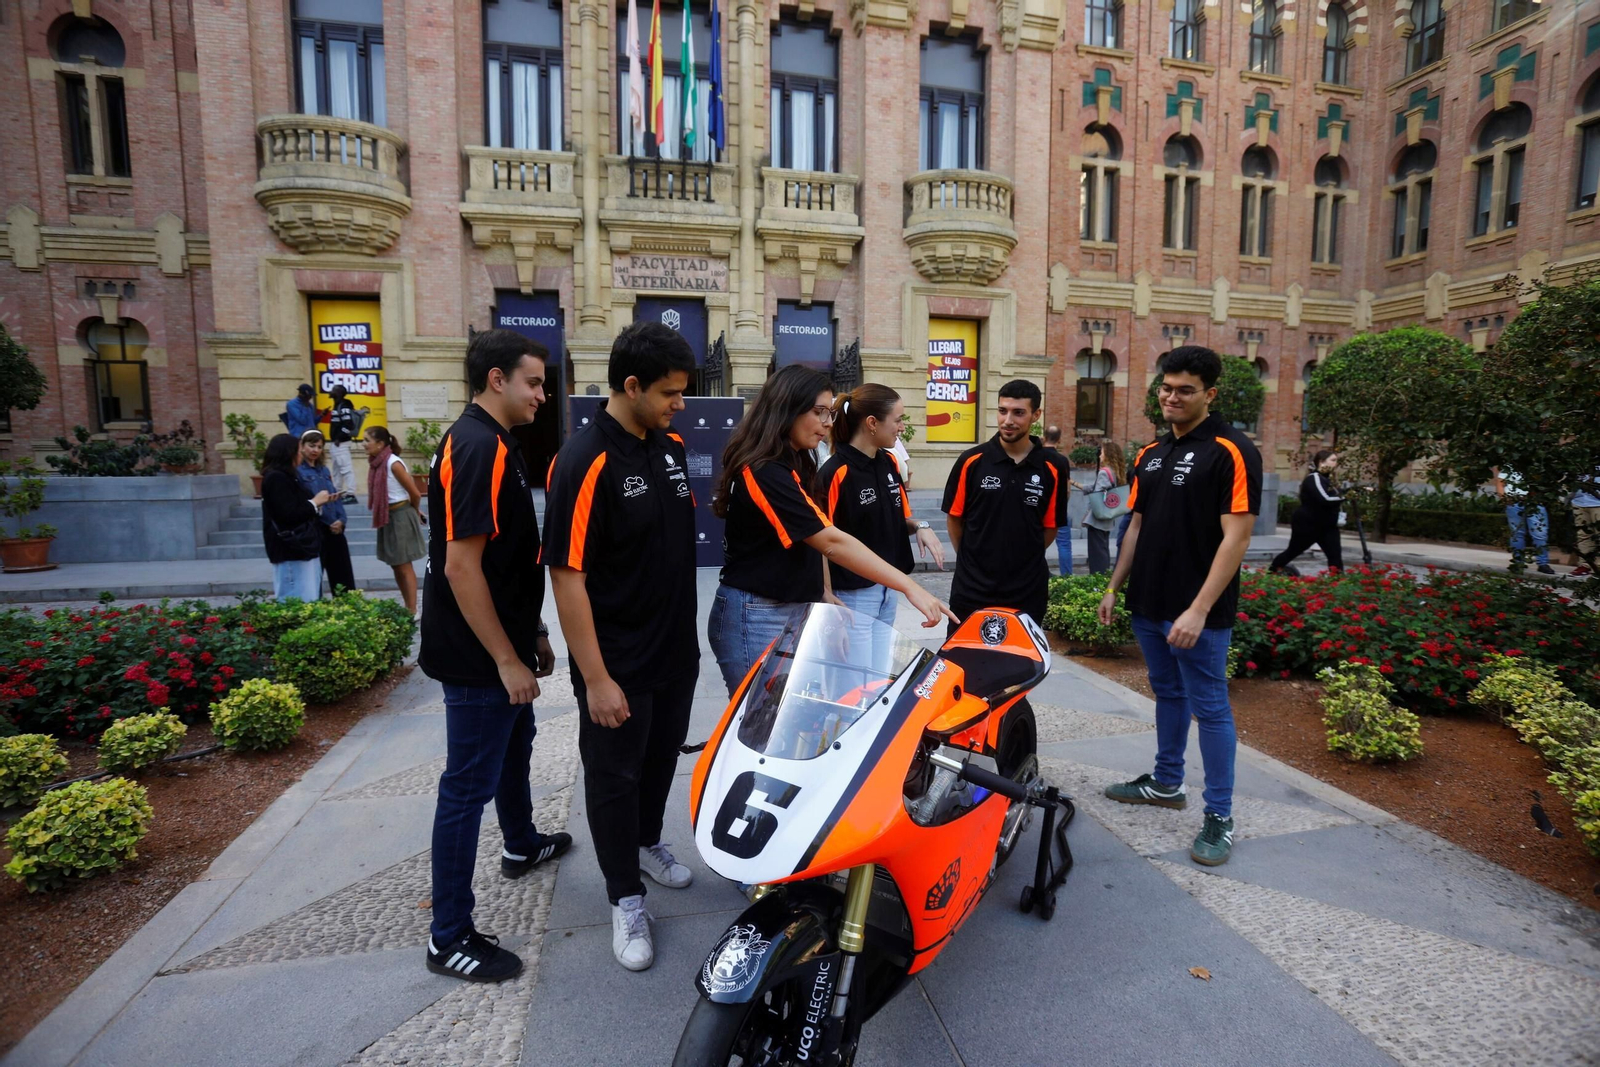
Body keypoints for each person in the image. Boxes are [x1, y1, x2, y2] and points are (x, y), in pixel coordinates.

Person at [543, 321, 700, 973]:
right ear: (631, 386)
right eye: (669, 392)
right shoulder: (583, 459)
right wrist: (596, 678)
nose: (680, 404)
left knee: (661, 759)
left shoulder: (670, 446)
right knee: (615, 776)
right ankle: (624, 896)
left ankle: (646, 842)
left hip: (674, 652)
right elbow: (566, 576)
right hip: (617, 662)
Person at [419, 329, 571, 985]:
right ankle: (448, 935)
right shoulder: (476, 445)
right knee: (466, 787)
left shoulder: (496, 442)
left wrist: (532, 632)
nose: (542, 394)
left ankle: (521, 841)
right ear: (496, 380)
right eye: (533, 382)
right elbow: (461, 565)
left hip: (503, 643)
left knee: (515, 745)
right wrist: (506, 660)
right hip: (477, 656)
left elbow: (507, 561)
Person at [1098, 346, 1262, 868]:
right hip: (1148, 601)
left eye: (1185, 390)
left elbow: (1237, 538)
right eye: (1167, 388)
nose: (1172, 397)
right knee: (1167, 692)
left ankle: (1219, 816)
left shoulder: (1232, 451)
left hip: (1197, 611)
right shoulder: (1151, 453)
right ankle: (1167, 782)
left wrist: (1199, 609)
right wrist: (1114, 586)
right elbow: (1136, 526)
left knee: (1210, 707)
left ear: (1209, 394)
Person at [707, 365, 954, 698]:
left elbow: (813, 537)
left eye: (830, 412)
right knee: (763, 718)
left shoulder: (796, 462)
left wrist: (823, 592)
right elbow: (830, 539)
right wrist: (910, 586)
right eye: (818, 411)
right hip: (757, 613)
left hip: (789, 605)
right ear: (787, 409)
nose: (827, 422)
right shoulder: (764, 471)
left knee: (797, 713)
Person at [941, 381, 1072, 634]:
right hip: (972, 590)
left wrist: (1022, 558)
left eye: (1018, 413)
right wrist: (973, 559)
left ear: (1036, 415)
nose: (1008, 420)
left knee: (1017, 659)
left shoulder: (1054, 466)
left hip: (1027, 590)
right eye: (1003, 411)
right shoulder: (971, 461)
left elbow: (1050, 527)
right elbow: (954, 519)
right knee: (963, 657)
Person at [815, 384, 946, 627]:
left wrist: (921, 526)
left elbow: (896, 522)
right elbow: (819, 539)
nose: (902, 427)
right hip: (852, 595)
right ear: (872, 423)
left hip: (889, 588)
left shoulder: (890, 462)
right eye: (898, 420)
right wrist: (827, 593)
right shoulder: (836, 472)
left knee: (882, 654)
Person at [364, 425, 428, 613]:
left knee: (403, 565)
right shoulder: (376, 463)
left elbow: (415, 493)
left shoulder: (393, 463)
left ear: (380, 444)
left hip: (400, 516)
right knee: (396, 565)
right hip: (387, 516)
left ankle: (412, 610)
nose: (363, 444)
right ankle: (407, 606)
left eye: (367, 440)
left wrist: (415, 511)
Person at [260, 432, 328, 601]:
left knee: (310, 597)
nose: (301, 454)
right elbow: (287, 514)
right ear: (288, 453)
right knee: (296, 598)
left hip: (302, 546)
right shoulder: (276, 478)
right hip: (290, 548)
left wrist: (316, 504)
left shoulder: (289, 476)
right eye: (298, 450)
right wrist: (314, 503)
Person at [295, 429, 356, 595]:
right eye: (311, 445)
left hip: (335, 528)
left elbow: (334, 497)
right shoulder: (298, 472)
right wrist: (329, 521)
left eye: (319, 447)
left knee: (343, 577)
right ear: (302, 446)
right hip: (317, 528)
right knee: (314, 578)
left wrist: (341, 520)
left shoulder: (324, 470)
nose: (315, 450)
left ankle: (348, 607)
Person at [1270, 450, 1344, 574]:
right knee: (1294, 550)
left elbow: (1337, 495)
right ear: (1321, 462)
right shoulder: (1314, 478)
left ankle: (1338, 581)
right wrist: (1346, 497)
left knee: (1335, 555)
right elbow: (1324, 499)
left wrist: (1353, 492)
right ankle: (1272, 571)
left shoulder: (1328, 480)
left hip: (1327, 525)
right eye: (1333, 460)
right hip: (1308, 524)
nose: (1335, 463)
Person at [1493, 466, 1554, 575]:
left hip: (1535, 501)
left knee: (1540, 533)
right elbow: (1500, 481)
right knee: (1517, 533)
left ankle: (1543, 563)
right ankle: (1518, 562)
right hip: (1514, 501)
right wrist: (1505, 499)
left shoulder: (1539, 464)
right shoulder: (1511, 465)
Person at [1082, 440, 1127, 575]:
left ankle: (1098, 578)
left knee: (1096, 554)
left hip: (1097, 519)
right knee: (1103, 549)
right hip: (1108, 518)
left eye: (1101, 453)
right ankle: (1104, 577)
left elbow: (1098, 492)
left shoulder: (1104, 472)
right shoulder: (1115, 472)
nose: (1100, 455)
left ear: (1108, 454)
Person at [1040, 426, 1074, 578]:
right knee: (1064, 544)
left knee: (1038, 542)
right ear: (1059, 440)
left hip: (1037, 507)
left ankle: (1039, 571)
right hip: (1057, 508)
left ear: (1044, 437)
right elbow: (1067, 488)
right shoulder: (1062, 460)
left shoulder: (1035, 456)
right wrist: (1063, 504)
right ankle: (1066, 577)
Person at [325, 385, 365, 498]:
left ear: (339, 393)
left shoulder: (343, 406)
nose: (331, 391)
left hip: (341, 443)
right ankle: (337, 491)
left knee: (345, 468)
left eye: (334, 390)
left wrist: (339, 438)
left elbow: (349, 425)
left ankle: (351, 493)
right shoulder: (338, 405)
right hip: (337, 443)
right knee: (337, 469)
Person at [1571, 463, 1600, 578]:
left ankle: (1598, 566)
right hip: (1579, 501)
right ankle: (1585, 565)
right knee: (1583, 534)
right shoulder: (1578, 458)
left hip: (1598, 502)